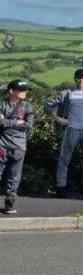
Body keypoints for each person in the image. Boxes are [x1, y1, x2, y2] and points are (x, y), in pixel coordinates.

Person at [43, 68, 83, 197]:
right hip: (71, 129)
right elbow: (47, 105)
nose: (81, 80)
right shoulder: (66, 93)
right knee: (64, 159)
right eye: (79, 77)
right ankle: (61, 187)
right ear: (75, 79)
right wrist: (58, 119)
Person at [0, 80, 34, 214]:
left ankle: (10, 202)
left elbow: (29, 124)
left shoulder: (27, 105)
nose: (24, 92)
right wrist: (17, 121)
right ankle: (9, 202)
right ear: (11, 91)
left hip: (18, 147)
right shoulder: (1, 103)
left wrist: (6, 122)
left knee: (14, 176)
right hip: (3, 146)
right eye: (21, 90)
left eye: (25, 89)